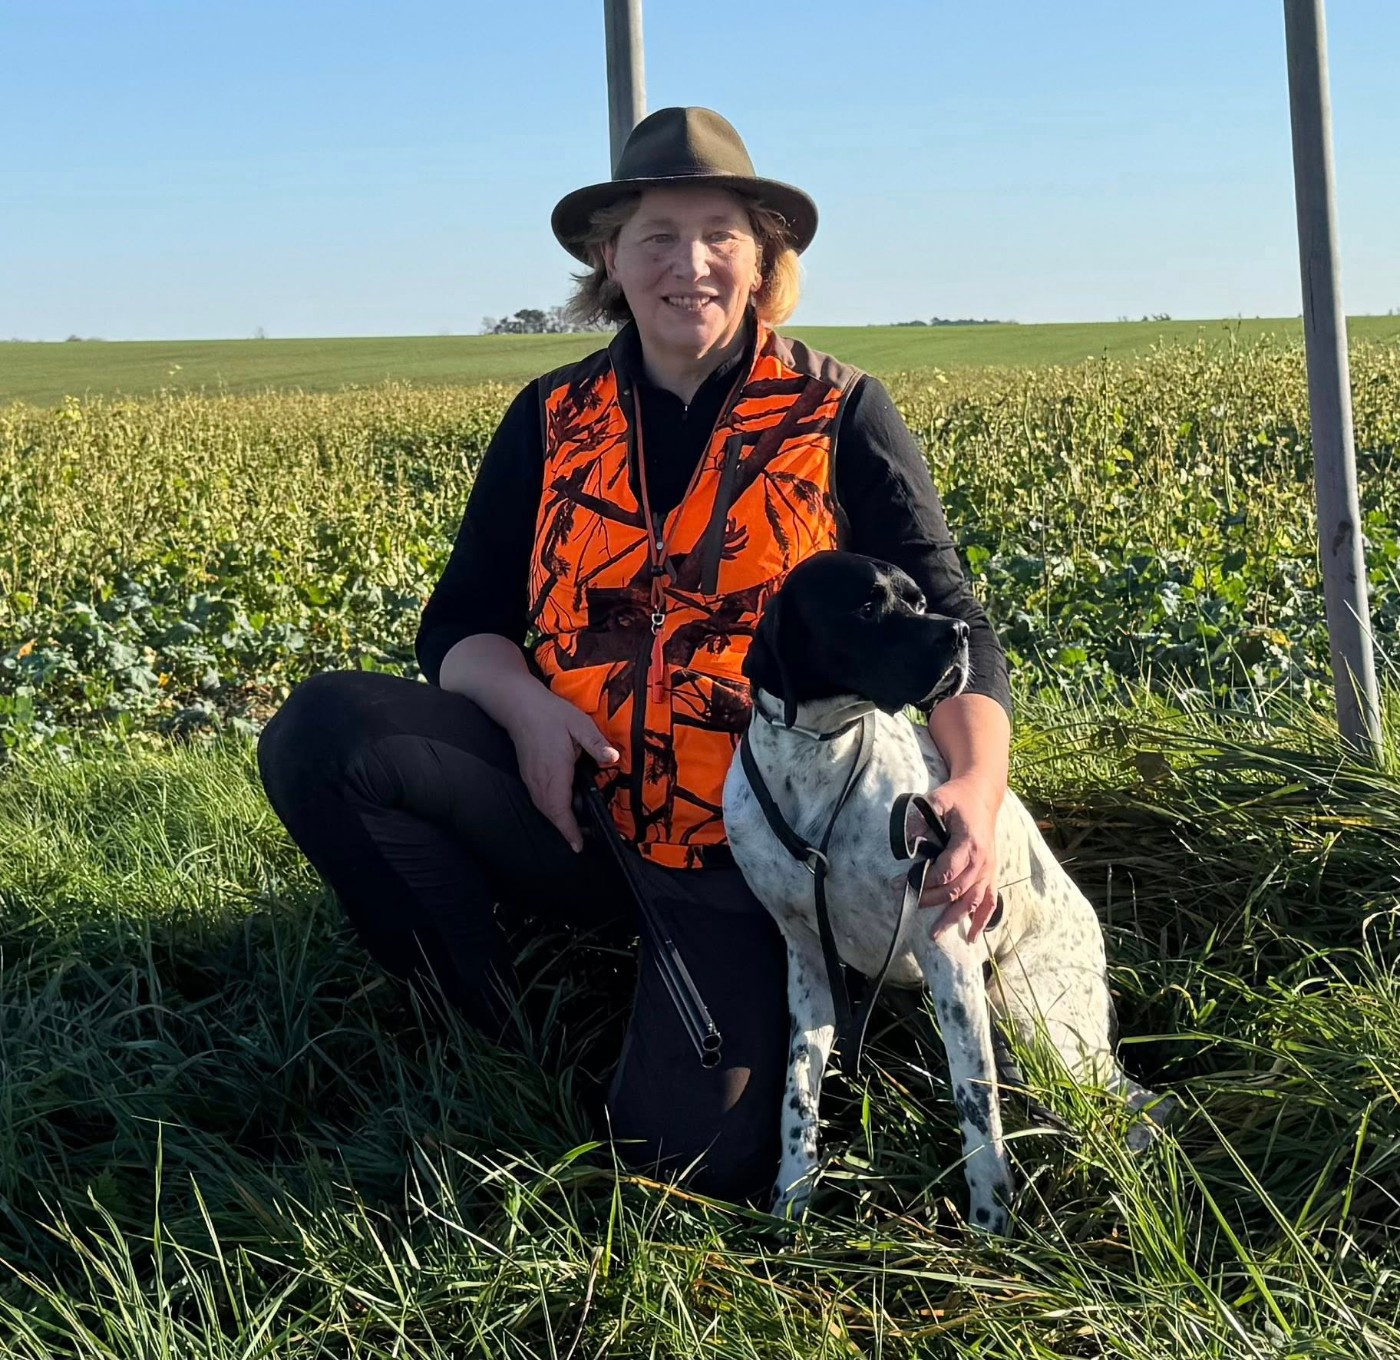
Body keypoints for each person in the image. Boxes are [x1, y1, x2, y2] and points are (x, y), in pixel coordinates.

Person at [256, 107, 1012, 1204]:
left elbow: (950, 621)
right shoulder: (551, 413)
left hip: (753, 862)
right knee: (325, 737)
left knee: (686, 1168)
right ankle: (498, 1026)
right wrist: (523, 710)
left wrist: (975, 789)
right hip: (568, 808)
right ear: (608, 258)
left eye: (718, 234)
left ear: (761, 259)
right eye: (656, 234)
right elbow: (457, 622)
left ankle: (668, 1036)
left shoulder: (836, 409)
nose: (688, 264)